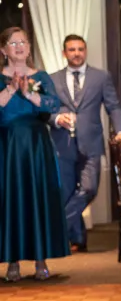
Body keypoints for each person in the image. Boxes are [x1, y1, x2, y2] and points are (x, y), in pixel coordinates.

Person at [0, 27, 69, 281]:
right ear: (3, 50)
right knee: (11, 199)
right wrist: (10, 89)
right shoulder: (0, 77)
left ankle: (41, 259)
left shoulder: (40, 76)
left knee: (37, 197)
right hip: (7, 146)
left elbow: (52, 104)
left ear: (29, 48)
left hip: (37, 146)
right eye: (13, 42)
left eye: (23, 42)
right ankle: (12, 262)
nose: (19, 46)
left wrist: (29, 92)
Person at [49, 34, 121, 252]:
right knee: (65, 193)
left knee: (89, 189)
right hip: (61, 144)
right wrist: (57, 119)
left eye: (80, 49)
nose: (76, 53)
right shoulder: (52, 79)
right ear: (64, 53)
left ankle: (57, 229)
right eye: (72, 49)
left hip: (91, 143)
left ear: (85, 51)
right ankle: (77, 240)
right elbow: (45, 110)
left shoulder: (101, 77)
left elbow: (113, 106)